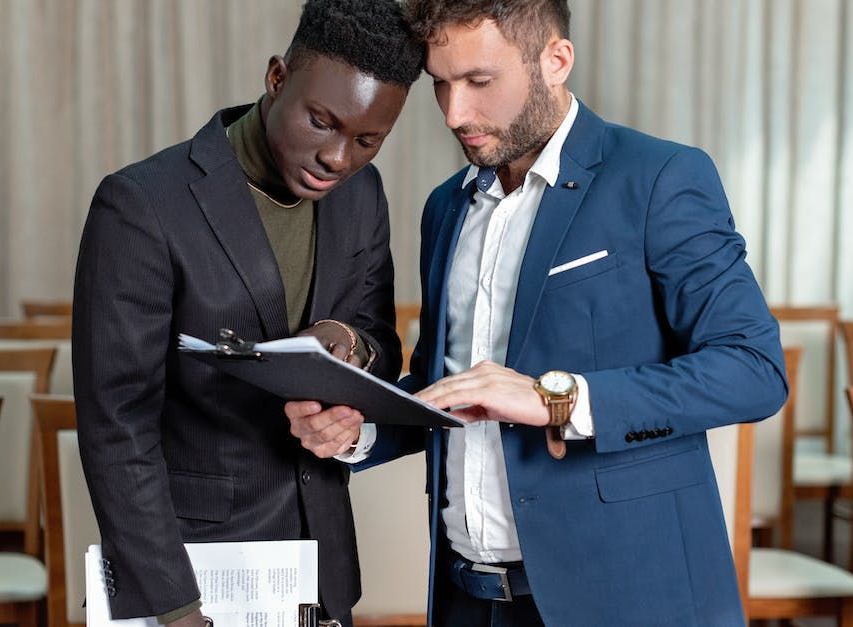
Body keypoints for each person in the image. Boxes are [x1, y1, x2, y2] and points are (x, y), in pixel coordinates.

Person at [285, 1, 787, 625]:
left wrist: (557, 401)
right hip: (468, 597)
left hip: (624, 596)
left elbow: (753, 370)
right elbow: (446, 390)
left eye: (478, 81)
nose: (453, 112)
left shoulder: (660, 177)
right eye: (440, 82)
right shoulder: (446, 208)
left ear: (556, 60)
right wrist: (358, 431)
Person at [72, 2, 423, 624]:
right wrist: (178, 610)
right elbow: (117, 424)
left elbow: (378, 343)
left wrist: (344, 341)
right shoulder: (141, 206)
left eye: (367, 140)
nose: (339, 158)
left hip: (320, 573)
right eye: (322, 122)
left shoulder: (363, 196)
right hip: (195, 574)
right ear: (277, 78)